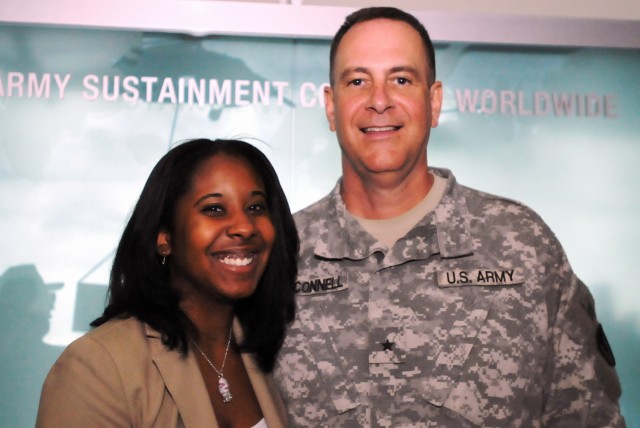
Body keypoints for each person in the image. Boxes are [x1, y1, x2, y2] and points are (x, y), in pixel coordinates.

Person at [274, 7, 625, 427]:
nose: (379, 101)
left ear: (434, 101)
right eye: (357, 81)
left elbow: (588, 417)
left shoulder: (524, 246)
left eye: (401, 80)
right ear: (331, 108)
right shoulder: (278, 258)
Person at [36, 138, 298, 428]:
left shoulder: (269, 353)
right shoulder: (97, 366)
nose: (245, 227)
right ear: (164, 238)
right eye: (214, 209)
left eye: (256, 207)